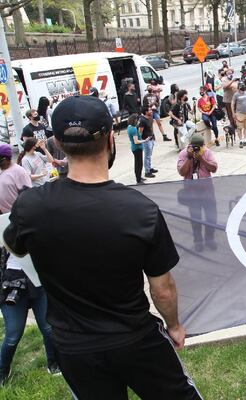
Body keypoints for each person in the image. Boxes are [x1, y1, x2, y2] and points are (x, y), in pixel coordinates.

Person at [3, 95, 204, 400]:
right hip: (137, 338)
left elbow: (15, 248)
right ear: (111, 138)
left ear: (57, 141)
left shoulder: (30, 206)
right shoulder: (140, 210)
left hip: (74, 346)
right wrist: (174, 325)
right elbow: (162, 288)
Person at [0, 143, 60, 386]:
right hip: (13, 286)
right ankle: (2, 371)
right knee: (13, 334)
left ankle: (53, 364)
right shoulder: (7, 232)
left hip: (38, 285)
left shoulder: (43, 231)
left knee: (48, 328)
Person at [176, 134, 218, 253]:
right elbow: (181, 172)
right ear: (190, 146)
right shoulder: (184, 154)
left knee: (211, 217)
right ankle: (198, 241)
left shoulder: (207, 152)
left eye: (200, 147)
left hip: (207, 191)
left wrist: (202, 159)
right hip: (192, 192)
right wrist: (189, 158)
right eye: (195, 147)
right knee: (195, 218)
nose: (197, 149)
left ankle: (210, 239)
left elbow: (214, 169)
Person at [127, 113, 148, 184]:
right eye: (138, 120)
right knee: (139, 164)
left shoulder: (129, 127)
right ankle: (138, 179)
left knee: (138, 163)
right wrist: (145, 140)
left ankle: (139, 177)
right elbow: (136, 141)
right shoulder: (133, 129)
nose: (139, 122)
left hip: (135, 148)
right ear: (135, 120)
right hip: (137, 148)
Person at [232, 83, 246, 148]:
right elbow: (232, 104)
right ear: (238, 88)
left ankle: (245, 140)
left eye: (243, 88)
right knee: (239, 128)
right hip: (239, 114)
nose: (242, 90)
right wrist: (233, 113)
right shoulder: (236, 95)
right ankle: (241, 141)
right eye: (241, 88)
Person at [139, 106, 158, 178]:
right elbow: (140, 132)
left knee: (149, 155)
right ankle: (147, 172)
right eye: (149, 110)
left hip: (151, 139)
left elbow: (151, 127)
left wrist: (153, 136)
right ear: (146, 112)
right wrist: (142, 141)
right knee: (147, 156)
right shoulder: (142, 120)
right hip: (146, 141)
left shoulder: (150, 118)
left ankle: (149, 168)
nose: (151, 111)